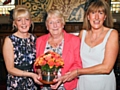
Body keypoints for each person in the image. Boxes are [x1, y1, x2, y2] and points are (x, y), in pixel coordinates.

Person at [53, 0, 119, 90]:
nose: (96, 17)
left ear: (105, 16)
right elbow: (73, 57)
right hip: (83, 83)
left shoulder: (112, 34)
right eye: (93, 13)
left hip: (103, 83)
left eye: (100, 13)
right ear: (88, 16)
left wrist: (78, 72)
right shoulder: (82, 34)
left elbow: (107, 68)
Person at [35, 9, 82, 90]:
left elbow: (78, 65)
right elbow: (36, 64)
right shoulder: (39, 41)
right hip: (45, 86)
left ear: (63, 24)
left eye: (58, 22)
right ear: (47, 26)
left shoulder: (74, 40)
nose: (55, 25)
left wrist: (63, 78)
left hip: (67, 86)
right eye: (51, 22)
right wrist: (40, 73)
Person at [2, 5, 41, 90]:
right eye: (19, 20)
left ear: (30, 22)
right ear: (15, 23)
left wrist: (40, 73)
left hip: (33, 82)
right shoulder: (9, 40)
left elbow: (37, 62)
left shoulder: (34, 38)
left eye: (26, 19)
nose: (23, 23)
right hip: (16, 82)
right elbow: (10, 69)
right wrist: (31, 74)